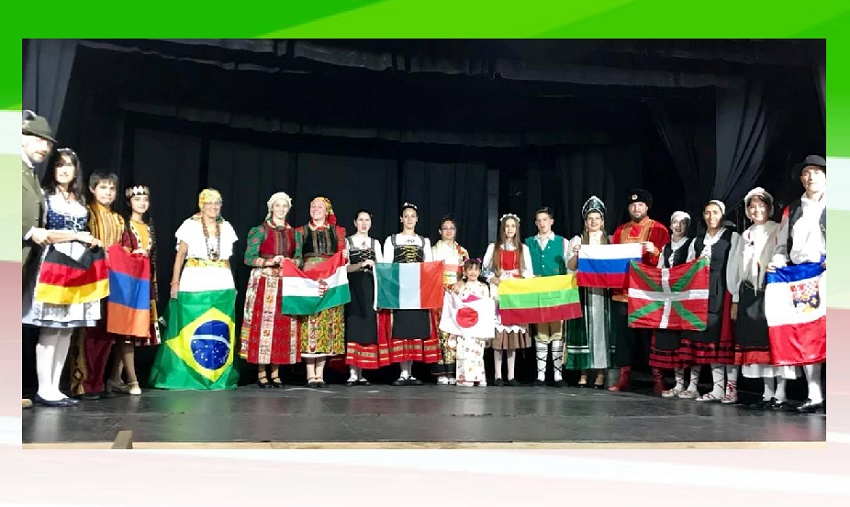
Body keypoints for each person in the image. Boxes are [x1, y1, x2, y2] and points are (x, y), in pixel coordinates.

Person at [22, 147, 102, 406]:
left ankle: (56, 387)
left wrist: (89, 240)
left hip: (77, 264)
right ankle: (44, 388)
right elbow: (44, 232)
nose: (65, 169)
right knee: (51, 327)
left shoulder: (79, 201)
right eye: (59, 165)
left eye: (69, 165)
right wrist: (77, 235)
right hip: (54, 262)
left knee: (67, 329)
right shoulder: (45, 197)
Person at [149, 188, 239, 390]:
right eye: (209, 203)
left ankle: (216, 375)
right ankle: (185, 373)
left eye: (217, 203)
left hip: (222, 281)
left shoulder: (226, 227)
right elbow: (180, 256)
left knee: (219, 326)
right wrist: (174, 283)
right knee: (191, 322)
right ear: (201, 205)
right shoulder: (190, 225)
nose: (214, 207)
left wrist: (232, 285)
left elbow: (227, 260)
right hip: (195, 278)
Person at [728, 188, 798, 410]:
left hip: (773, 291)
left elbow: (785, 254)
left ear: (769, 208)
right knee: (756, 344)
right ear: (748, 211)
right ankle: (767, 393)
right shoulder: (744, 235)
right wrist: (736, 298)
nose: (757, 210)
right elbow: (735, 269)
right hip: (750, 293)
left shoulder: (778, 230)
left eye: (761, 206)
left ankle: (781, 392)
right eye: (752, 206)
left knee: (774, 341)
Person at [769, 155, 827, 413]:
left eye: (816, 171)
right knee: (807, 333)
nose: (811, 176)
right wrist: (777, 260)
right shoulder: (792, 209)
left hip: (833, 273)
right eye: (806, 173)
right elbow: (783, 244)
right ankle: (815, 394)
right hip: (803, 276)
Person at [608, 189, 670, 393]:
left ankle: (658, 378)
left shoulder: (659, 229)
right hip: (623, 293)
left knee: (649, 337)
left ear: (647, 207)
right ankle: (624, 377)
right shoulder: (620, 231)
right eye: (633, 205)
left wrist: (656, 252)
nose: (636, 208)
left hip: (648, 294)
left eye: (640, 205)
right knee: (624, 338)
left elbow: (669, 262)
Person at [680, 200, 741, 403]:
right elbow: (688, 268)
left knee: (723, 339)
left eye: (715, 212)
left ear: (722, 214)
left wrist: (734, 296)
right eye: (707, 213)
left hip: (723, 291)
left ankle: (730, 389)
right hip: (700, 294)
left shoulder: (732, 237)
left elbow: (734, 267)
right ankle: (715, 388)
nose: (711, 216)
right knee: (705, 340)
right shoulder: (697, 241)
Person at [73, 171, 125, 400]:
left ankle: (99, 383)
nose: (108, 192)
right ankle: (81, 383)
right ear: (93, 189)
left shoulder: (118, 219)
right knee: (87, 332)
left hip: (113, 281)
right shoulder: (86, 213)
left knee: (106, 333)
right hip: (90, 278)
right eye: (103, 188)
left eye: (112, 189)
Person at [239, 192, 300, 388]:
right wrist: (269, 261)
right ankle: (261, 372)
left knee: (281, 328)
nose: (281, 209)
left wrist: (292, 262)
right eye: (278, 206)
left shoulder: (294, 233)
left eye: (284, 206)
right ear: (271, 208)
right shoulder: (260, 230)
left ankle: (276, 372)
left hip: (284, 283)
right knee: (263, 326)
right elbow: (249, 257)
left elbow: (299, 258)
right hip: (264, 283)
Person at [106, 185, 162, 396]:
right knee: (127, 332)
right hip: (127, 284)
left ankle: (114, 377)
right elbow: (119, 253)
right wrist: (132, 254)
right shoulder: (125, 225)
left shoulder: (149, 226)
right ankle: (133, 380)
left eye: (145, 198)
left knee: (134, 332)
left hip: (144, 284)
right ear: (129, 202)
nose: (142, 203)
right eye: (137, 199)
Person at [382, 202, 440, 385]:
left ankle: (411, 371)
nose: (409, 219)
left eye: (412, 216)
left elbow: (429, 267)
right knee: (401, 329)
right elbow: (386, 266)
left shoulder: (424, 241)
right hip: (400, 291)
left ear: (417, 219)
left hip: (417, 292)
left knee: (415, 329)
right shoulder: (392, 240)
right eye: (405, 216)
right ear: (401, 219)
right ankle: (402, 372)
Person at [293, 196, 348, 388]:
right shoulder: (300, 231)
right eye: (312, 206)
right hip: (309, 281)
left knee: (327, 324)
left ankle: (320, 374)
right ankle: (310, 374)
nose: (315, 209)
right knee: (311, 324)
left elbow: (341, 257)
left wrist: (343, 260)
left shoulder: (338, 231)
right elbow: (298, 257)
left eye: (319, 206)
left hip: (331, 281)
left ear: (327, 210)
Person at [21, 110, 55, 409]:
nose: (44, 146)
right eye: (37, 139)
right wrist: (30, 230)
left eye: (47, 142)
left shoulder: (30, 172)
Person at [565, 196, 615, 388]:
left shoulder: (609, 242)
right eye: (590, 218)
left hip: (603, 292)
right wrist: (577, 254)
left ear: (602, 221)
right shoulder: (577, 240)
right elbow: (570, 267)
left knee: (602, 332)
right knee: (584, 332)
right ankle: (584, 372)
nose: (593, 221)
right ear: (585, 222)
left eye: (597, 218)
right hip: (583, 291)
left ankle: (601, 373)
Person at [648, 212, 700, 399]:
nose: (678, 226)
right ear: (670, 225)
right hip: (670, 300)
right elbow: (659, 271)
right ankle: (679, 384)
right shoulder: (666, 247)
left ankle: (692, 385)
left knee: (688, 342)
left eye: (683, 223)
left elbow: (691, 268)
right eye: (675, 222)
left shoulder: (691, 244)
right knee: (673, 344)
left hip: (685, 299)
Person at [482, 213, 533, 386]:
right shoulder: (494, 247)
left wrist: (520, 279)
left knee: (512, 337)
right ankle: (497, 374)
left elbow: (529, 273)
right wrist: (493, 278)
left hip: (515, 295)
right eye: (507, 226)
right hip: (498, 294)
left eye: (513, 226)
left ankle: (511, 375)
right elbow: (484, 270)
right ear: (502, 228)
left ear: (517, 228)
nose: (510, 229)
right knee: (499, 337)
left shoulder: (523, 249)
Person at [344, 210, 390, 385]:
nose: (364, 223)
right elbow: (344, 267)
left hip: (371, 287)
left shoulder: (375, 243)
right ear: (355, 222)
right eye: (361, 220)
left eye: (367, 220)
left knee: (367, 325)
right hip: (353, 286)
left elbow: (384, 268)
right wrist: (360, 265)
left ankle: (361, 372)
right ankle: (352, 372)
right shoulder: (347, 242)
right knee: (354, 324)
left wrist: (374, 265)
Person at [524, 206, 569, 387]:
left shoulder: (562, 242)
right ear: (536, 223)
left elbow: (569, 268)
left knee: (557, 333)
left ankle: (558, 376)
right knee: (541, 333)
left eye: (545, 219)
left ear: (551, 221)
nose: (542, 223)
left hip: (557, 294)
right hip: (538, 293)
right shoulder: (528, 243)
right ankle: (541, 376)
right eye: (539, 220)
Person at [431, 216, 470, 385]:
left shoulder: (462, 251)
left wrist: (461, 282)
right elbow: (428, 273)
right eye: (445, 228)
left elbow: (469, 272)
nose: (448, 231)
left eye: (451, 228)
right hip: (438, 293)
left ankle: (455, 370)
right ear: (440, 231)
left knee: (456, 332)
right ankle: (441, 371)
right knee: (441, 332)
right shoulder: (433, 250)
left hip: (456, 294)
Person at [452, 258, 491, 387]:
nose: (473, 272)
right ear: (465, 271)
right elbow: (455, 304)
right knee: (464, 351)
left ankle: (478, 377)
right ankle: (464, 377)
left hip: (478, 324)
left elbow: (487, 308)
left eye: (476, 270)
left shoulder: (484, 287)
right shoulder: (461, 287)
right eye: (470, 269)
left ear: (480, 271)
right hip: (464, 324)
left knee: (477, 352)